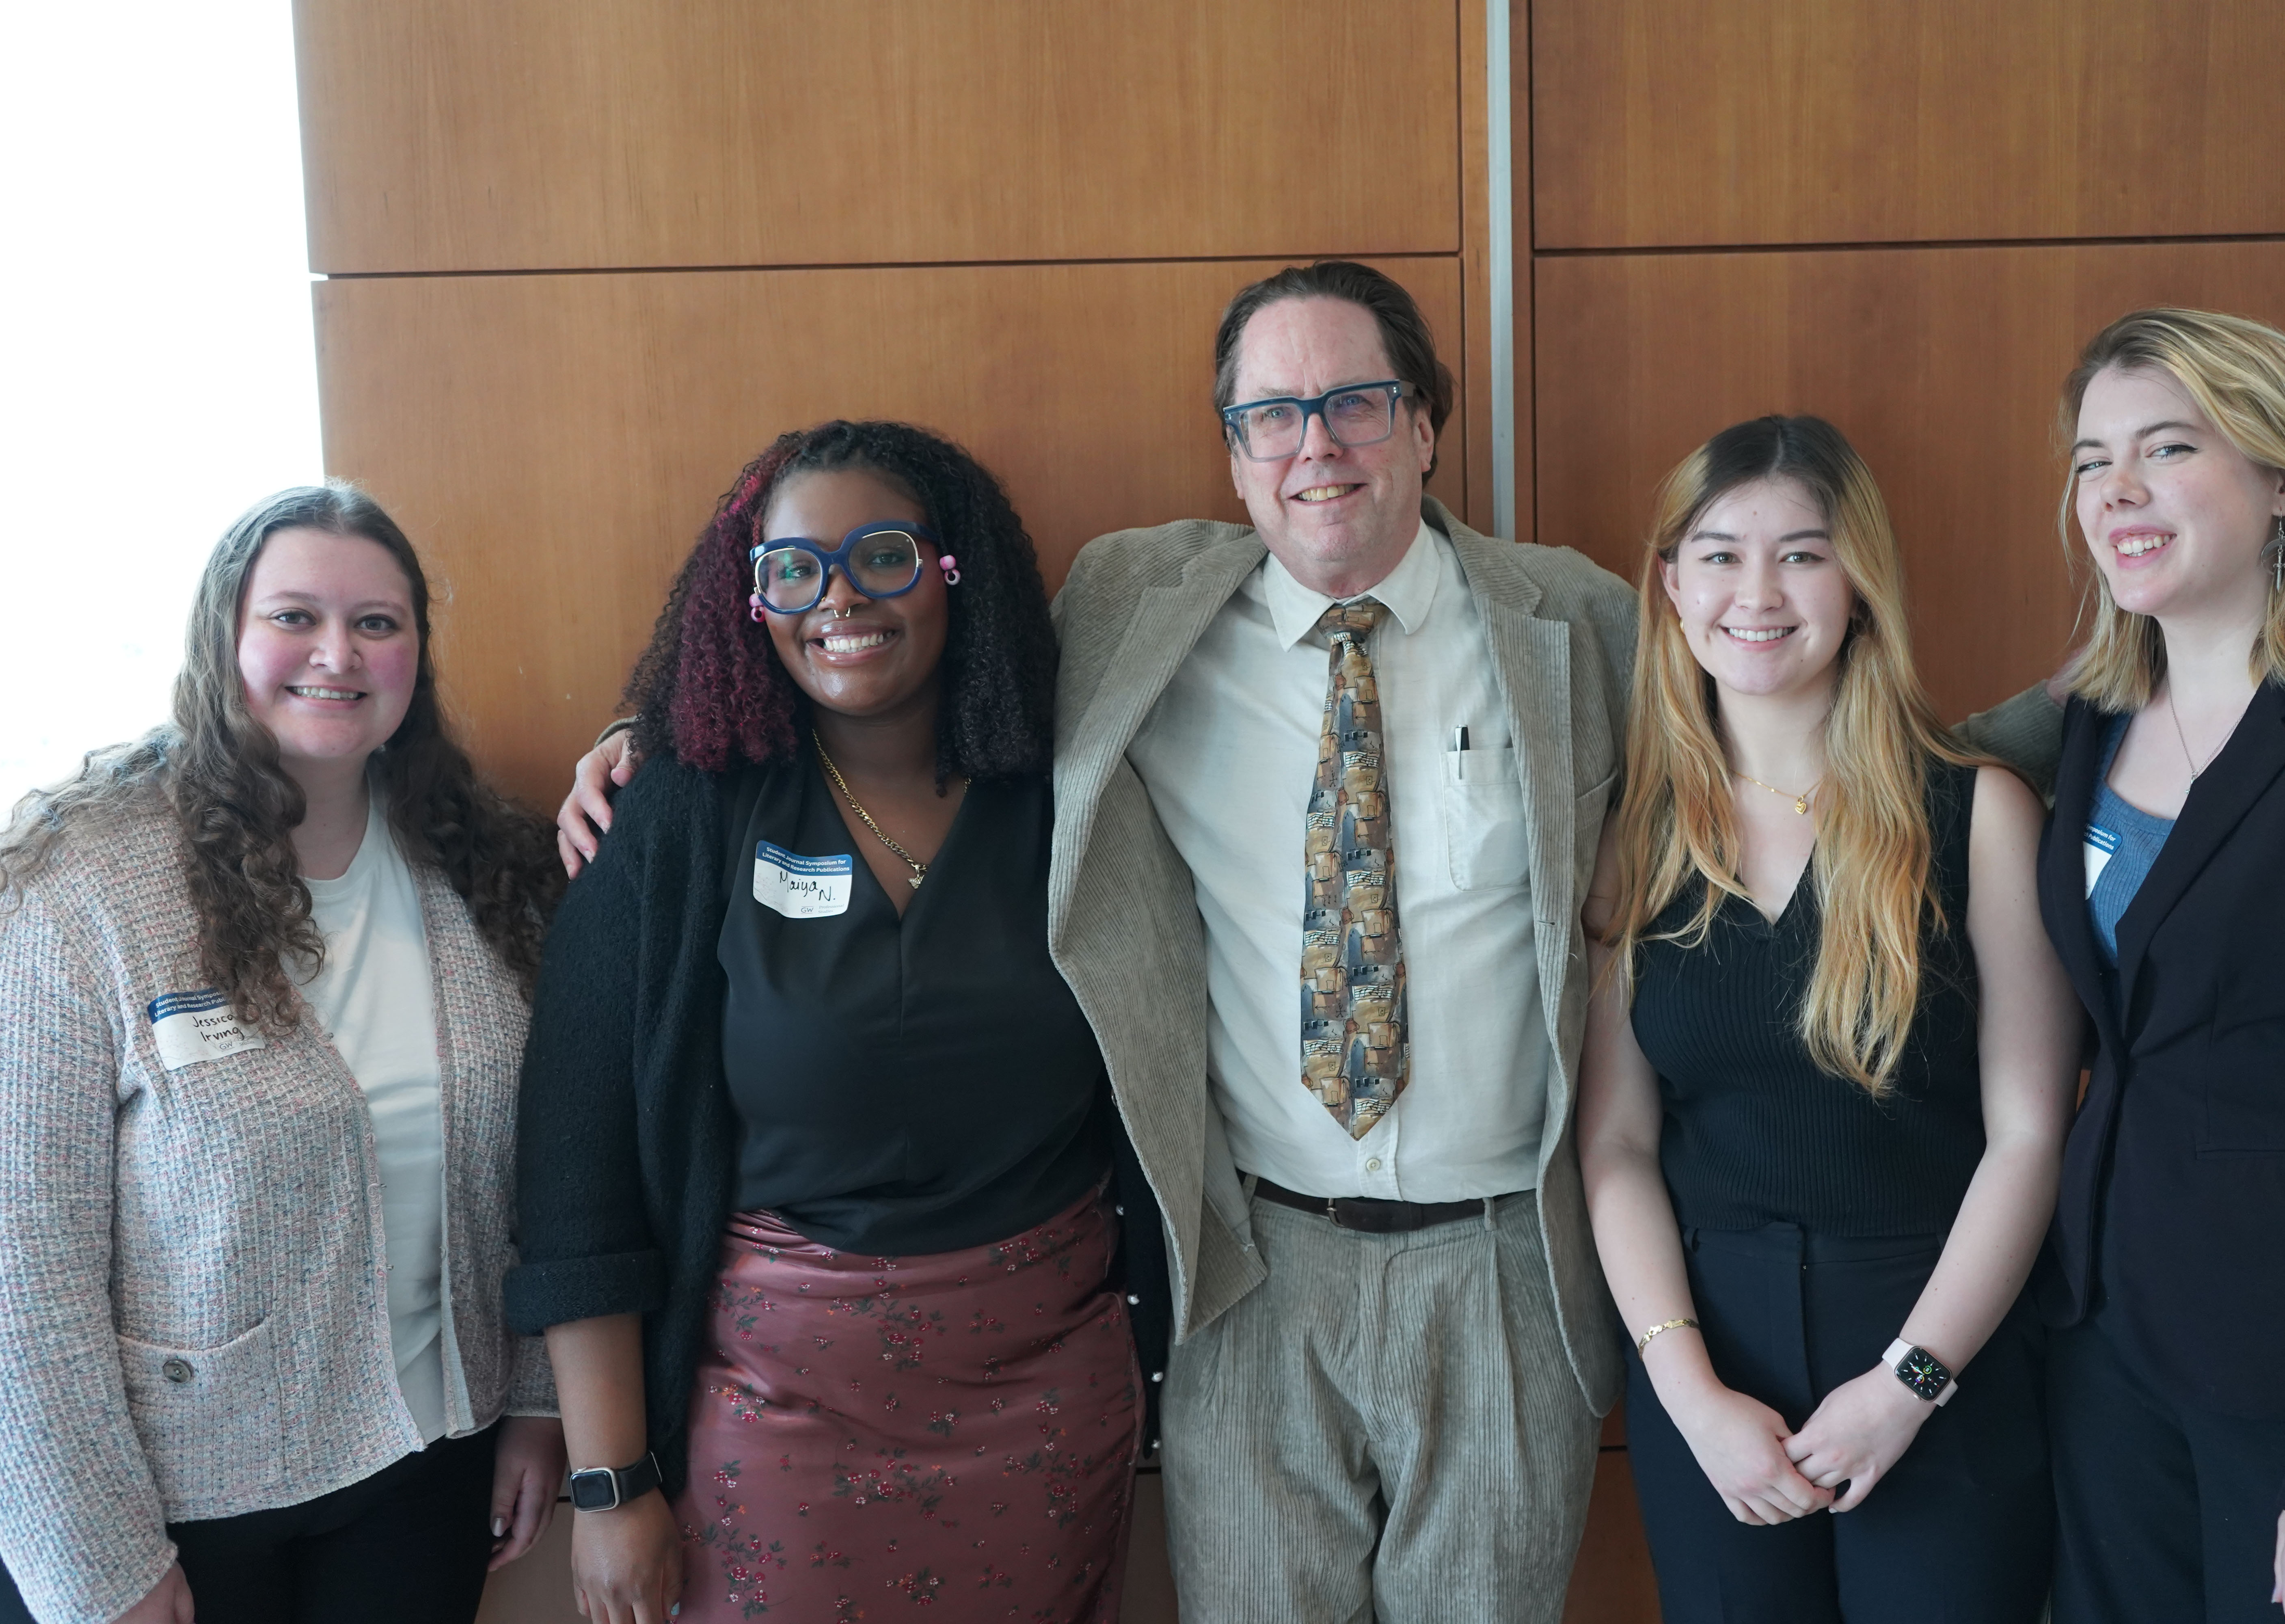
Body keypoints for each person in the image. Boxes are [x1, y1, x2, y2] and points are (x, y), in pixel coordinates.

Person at [559, 261, 2075, 1620]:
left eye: (1355, 402)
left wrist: (2107, 713)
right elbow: (879, 659)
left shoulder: (1581, 625)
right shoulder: (1128, 607)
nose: (1315, 447)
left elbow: (1807, 713)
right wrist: (657, 732)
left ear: (1426, 426)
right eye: (1271, 414)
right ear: (1231, 451)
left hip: (1503, 1277)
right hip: (1248, 1271)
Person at [508, 420, 1157, 1624]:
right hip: (772, 1415)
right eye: (794, 570)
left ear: (953, 570)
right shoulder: (676, 815)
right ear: (750, 600)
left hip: (1047, 1405)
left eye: (885, 557)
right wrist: (609, 1486)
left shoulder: (1075, 791)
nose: (840, 599)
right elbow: (575, 1168)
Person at [0, 484, 566, 1624]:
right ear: (225, 640)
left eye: (377, 623)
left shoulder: (480, 869)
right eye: (295, 617)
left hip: (428, 1457)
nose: (337, 654)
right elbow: (22, 1260)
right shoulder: (86, 888)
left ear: (417, 654)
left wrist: (541, 1401)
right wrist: (92, 1561)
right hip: (179, 1507)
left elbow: (545, 1173)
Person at [1574, 415, 2080, 1620]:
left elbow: (2029, 1136)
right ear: (1669, 586)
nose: (1758, 592)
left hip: (1941, 1336)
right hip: (1708, 1355)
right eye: (1719, 554)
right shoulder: (1632, 840)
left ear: (1861, 586)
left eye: (1803, 554)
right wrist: (1689, 1392)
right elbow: (1617, 1147)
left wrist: (1910, 1383)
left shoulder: (1980, 814)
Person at [2035, 309, 2285, 1624]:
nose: (2119, 492)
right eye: (2095, 460)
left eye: (2166, 447)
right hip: (2106, 1350)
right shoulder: (2087, 724)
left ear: (2281, 479)